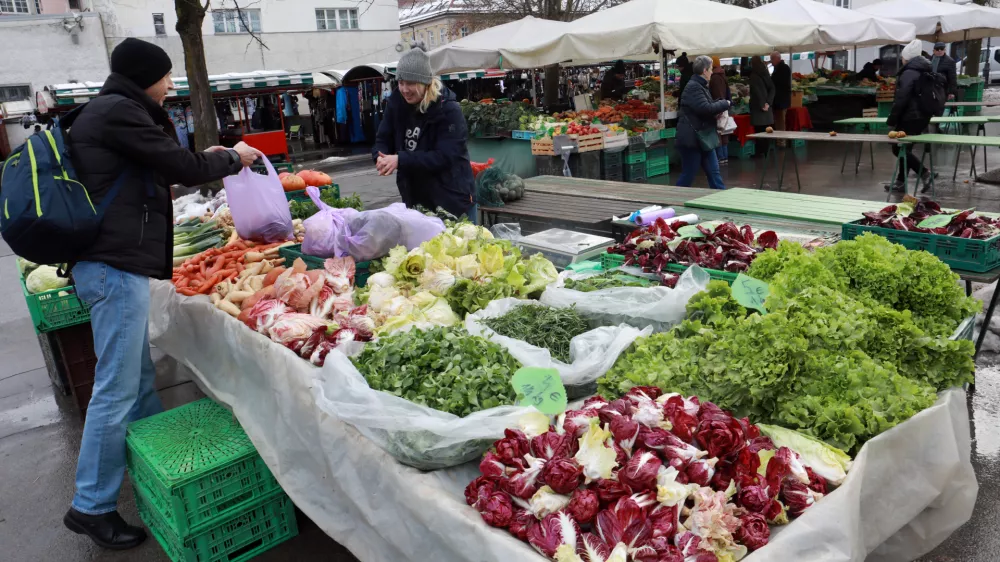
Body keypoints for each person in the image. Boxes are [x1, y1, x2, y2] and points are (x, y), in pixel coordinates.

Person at [62, 38, 259, 549]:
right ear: (145, 75)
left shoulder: (108, 113)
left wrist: (203, 159)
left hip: (109, 264)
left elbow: (151, 172)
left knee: (138, 378)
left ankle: (164, 461)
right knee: (116, 388)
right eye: (166, 76)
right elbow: (180, 167)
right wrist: (232, 158)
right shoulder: (119, 113)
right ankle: (92, 505)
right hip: (113, 266)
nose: (171, 85)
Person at [372, 45, 476, 222]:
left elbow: (445, 156)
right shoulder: (396, 104)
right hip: (415, 200)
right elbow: (383, 138)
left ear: (425, 82)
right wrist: (380, 156)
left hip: (452, 199)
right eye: (401, 82)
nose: (404, 89)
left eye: (410, 83)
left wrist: (400, 160)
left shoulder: (448, 109)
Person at [676, 55, 730, 190]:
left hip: (704, 138)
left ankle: (722, 201)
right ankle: (672, 199)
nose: (712, 72)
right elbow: (705, 108)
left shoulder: (700, 85)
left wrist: (716, 107)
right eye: (711, 69)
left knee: (714, 172)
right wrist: (724, 103)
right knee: (689, 174)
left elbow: (705, 107)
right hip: (692, 139)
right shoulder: (694, 87)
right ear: (705, 70)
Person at [888, 39, 935, 192]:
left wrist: (892, 118)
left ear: (906, 58)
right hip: (921, 116)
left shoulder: (909, 72)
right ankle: (901, 182)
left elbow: (902, 98)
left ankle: (925, 173)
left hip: (910, 116)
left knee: (898, 148)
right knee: (905, 148)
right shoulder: (924, 70)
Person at [708, 55, 732, 165]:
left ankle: (721, 157)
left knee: (718, 133)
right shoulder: (721, 75)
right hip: (724, 106)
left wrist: (719, 109)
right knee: (724, 132)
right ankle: (724, 156)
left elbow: (719, 94)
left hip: (719, 107)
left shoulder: (715, 77)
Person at [749, 56, 775, 149]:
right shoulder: (766, 73)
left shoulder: (754, 76)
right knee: (766, 133)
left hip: (758, 109)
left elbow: (757, 91)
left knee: (759, 133)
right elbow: (772, 88)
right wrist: (768, 103)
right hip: (767, 110)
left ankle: (761, 151)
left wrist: (762, 105)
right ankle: (766, 152)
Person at [769, 51, 792, 146]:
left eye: (772, 59)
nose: (771, 61)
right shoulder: (779, 68)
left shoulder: (783, 68)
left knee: (781, 121)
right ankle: (780, 140)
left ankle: (782, 141)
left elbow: (779, 83)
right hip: (780, 100)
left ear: (777, 58)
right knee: (779, 121)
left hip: (781, 100)